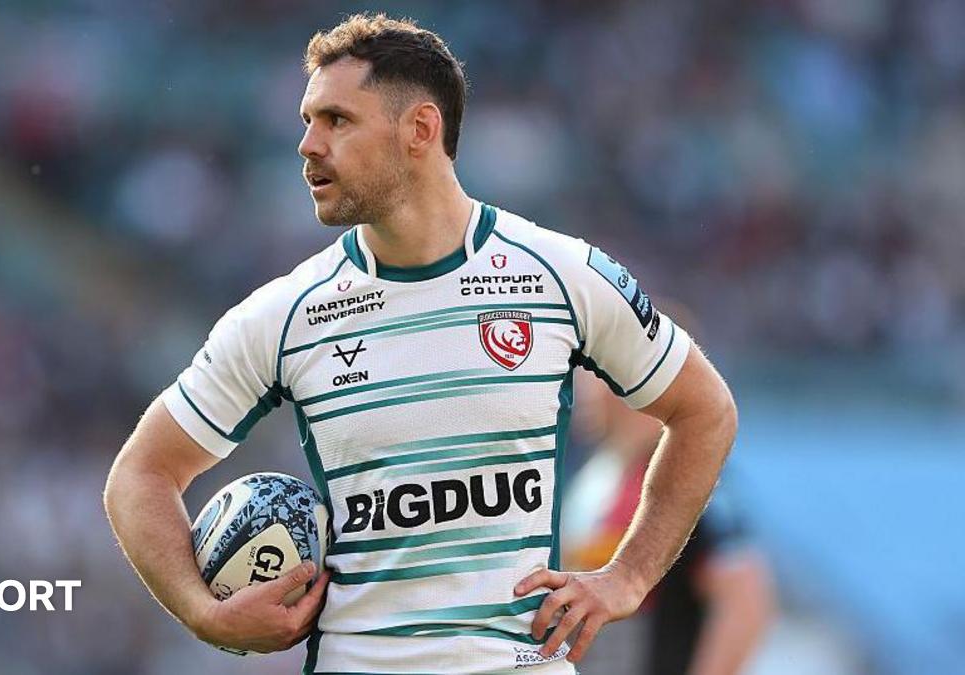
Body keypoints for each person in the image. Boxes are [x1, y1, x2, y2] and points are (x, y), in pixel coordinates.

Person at [103, 13, 737, 674]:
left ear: (420, 129)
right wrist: (203, 614)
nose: (308, 145)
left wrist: (628, 577)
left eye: (337, 120)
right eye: (307, 121)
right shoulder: (285, 314)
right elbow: (140, 474)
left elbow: (705, 410)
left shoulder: (560, 274)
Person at [560, 365, 775, 675]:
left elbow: (744, 598)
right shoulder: (597, 472)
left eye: (594, 370)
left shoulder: (690, 478)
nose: (583, 386)